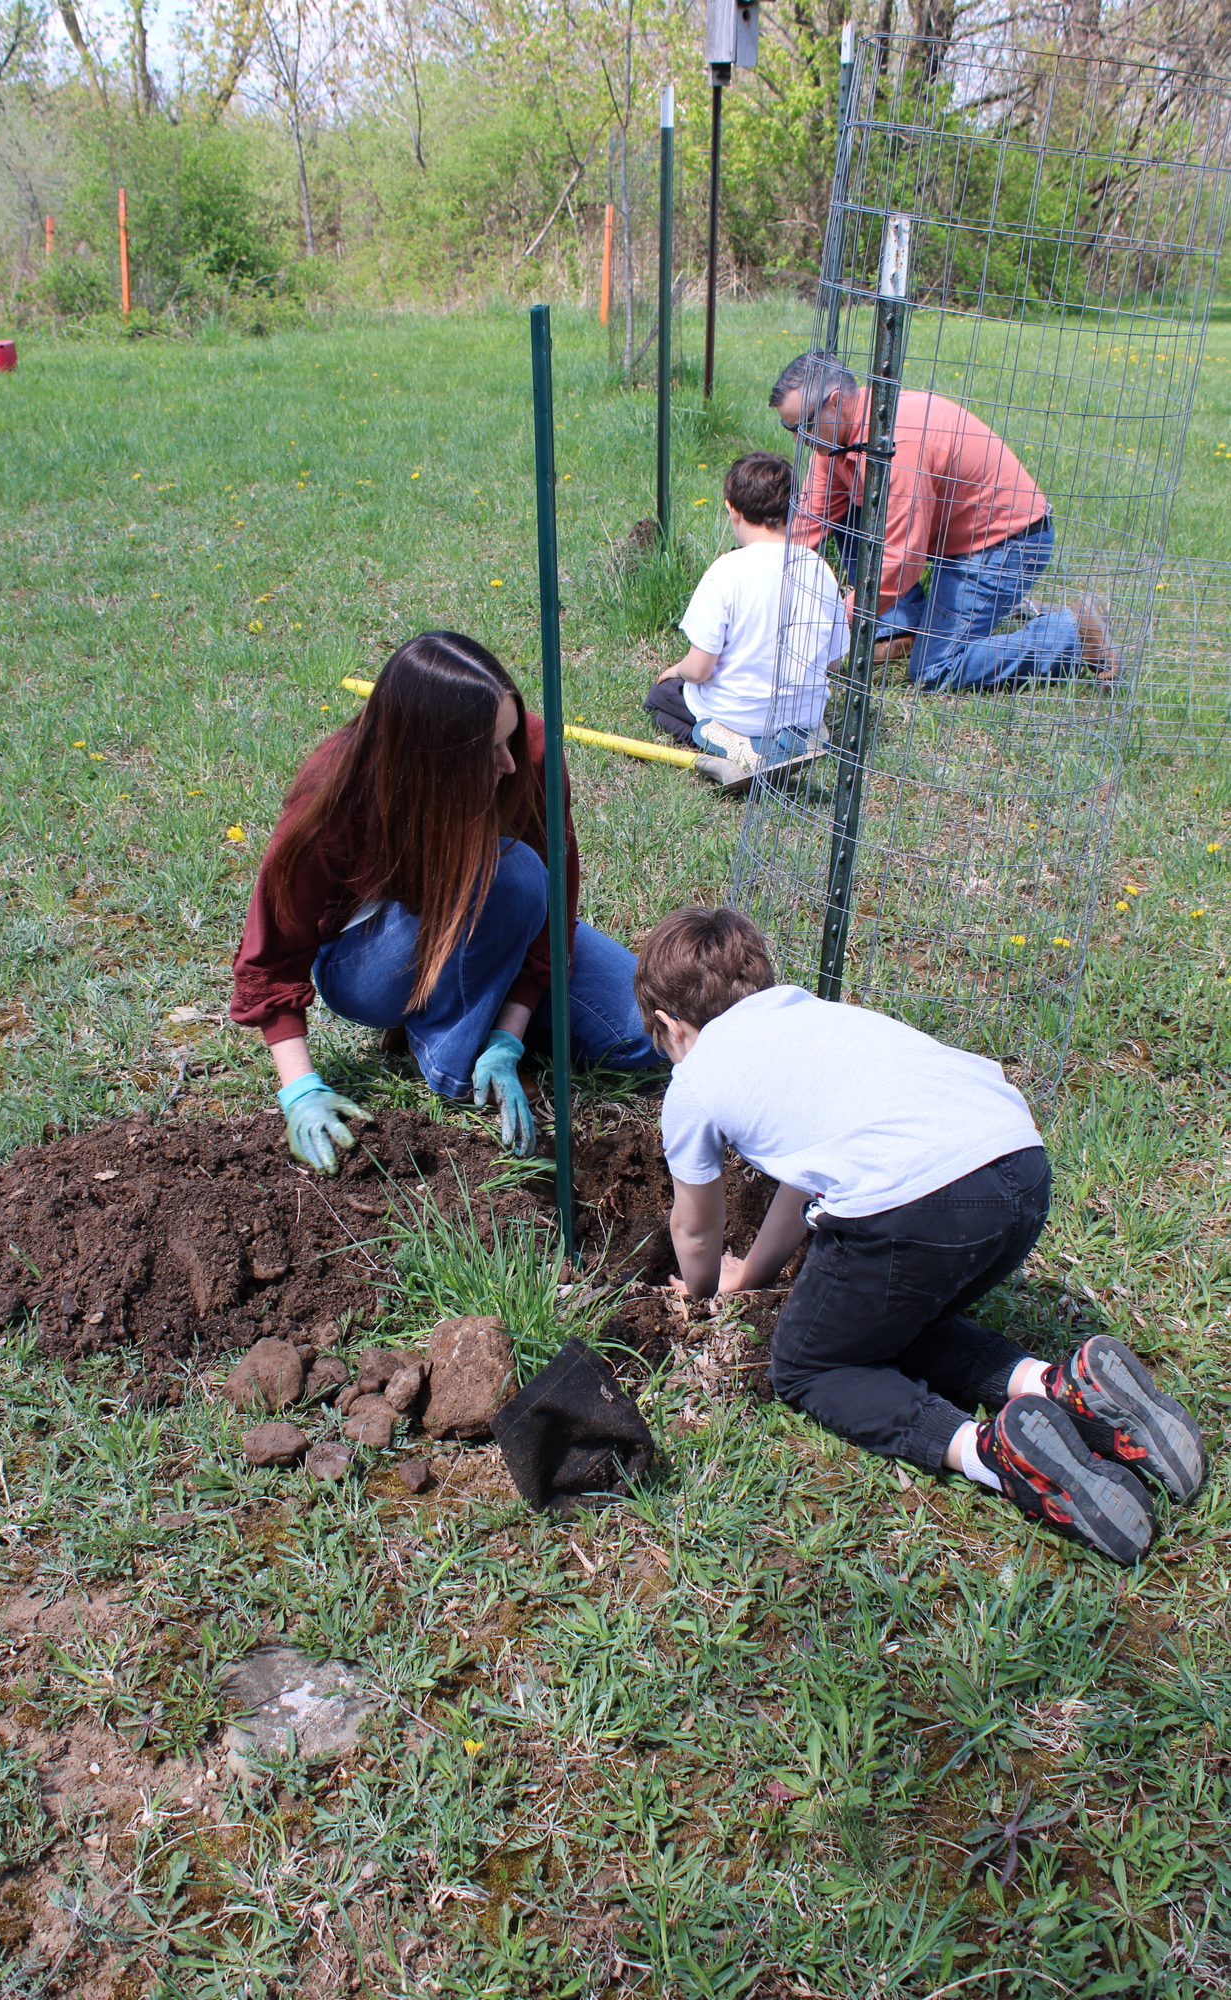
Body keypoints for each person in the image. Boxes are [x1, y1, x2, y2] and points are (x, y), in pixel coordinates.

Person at [633, 905, 1205, 1563]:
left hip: (920, 1209)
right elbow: (801, 1181)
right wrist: (754, 1272)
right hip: (1018, 1173)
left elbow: (694, 1227)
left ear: (667, 1026)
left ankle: (993, 1455)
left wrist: (703, 1291)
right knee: (888, 1322)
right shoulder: (812, 1017)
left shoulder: (694, 1084)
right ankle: (1063, 1387)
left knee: (813, 1363)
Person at [230, 632, 660, 1169]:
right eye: (489, 751)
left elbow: (557, 902)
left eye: (509, 738)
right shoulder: (336, 790)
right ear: (429, 761)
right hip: (376, 959)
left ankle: (482, 1019)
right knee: (516, 873)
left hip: (496, 912)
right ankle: (447, 1057)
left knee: (643, 1037)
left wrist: (510, 1035)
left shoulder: (530, 750)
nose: (510, 763)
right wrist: (299, 1089)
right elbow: (272, 954)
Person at [771, 352, 1120, 692]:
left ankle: (1072, 633)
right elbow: (810, 522)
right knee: (847, 511)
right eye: (791, 429)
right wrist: (764, 586)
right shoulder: (837, 439)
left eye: (803, 426)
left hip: (1005, 545)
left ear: (835, 402)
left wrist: (833, 623)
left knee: (934, 670)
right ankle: (900, 627)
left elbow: (901, 561)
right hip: (945, 538)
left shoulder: (895, 445)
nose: (799, 439)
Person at [643, 452, 847, 782]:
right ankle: (801, 738)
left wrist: (676, 669)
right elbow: (834, 662)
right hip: (802, 714)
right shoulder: (818, 567)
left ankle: (734, 744)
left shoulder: (727, 570)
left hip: (738, 714)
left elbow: (698, 669)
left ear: (732, 511)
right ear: (795, 508)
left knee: (660, 698)